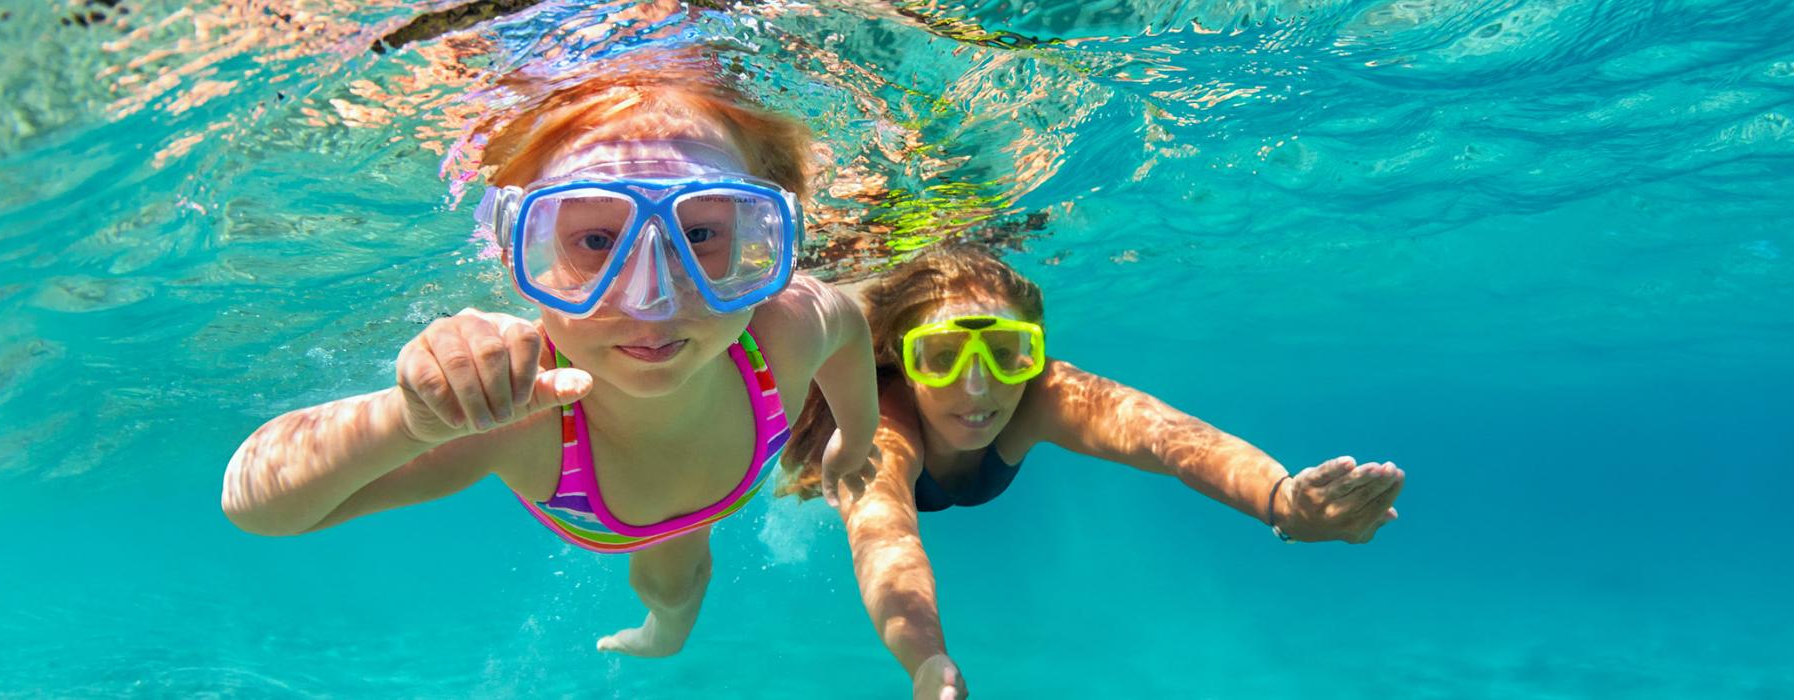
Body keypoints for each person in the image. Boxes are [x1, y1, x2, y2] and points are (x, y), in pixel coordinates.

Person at [221, 70, 880, 658]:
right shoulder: (516, 408)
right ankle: (662, 631)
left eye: (701, 234)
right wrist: (409, 420)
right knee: (666, 579)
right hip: (602, 507)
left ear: (761, 235)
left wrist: (854, 438)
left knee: (680, 580)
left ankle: (665, 633)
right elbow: (256, 505)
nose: (652, 300)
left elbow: (850, 335)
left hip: (706, 504)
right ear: (521, 252)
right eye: (595, 241)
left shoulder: (787, 326)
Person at [784, 244, 1405, 697]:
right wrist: (924, 660)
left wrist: (1283, 502)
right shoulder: (881, 426)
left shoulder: (1044, 396)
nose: (978, 388)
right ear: (904, 361)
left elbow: (1170, 439)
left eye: (1006, 354)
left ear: (1034, 354)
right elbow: (888, 540)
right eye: (942, 357)